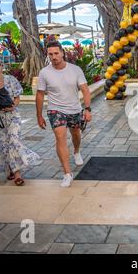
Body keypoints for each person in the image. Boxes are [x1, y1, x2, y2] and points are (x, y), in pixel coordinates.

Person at [0, 56, 41, 186]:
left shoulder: (11, 80)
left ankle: (17, 174)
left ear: (1, 66)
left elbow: (17, 98)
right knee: (3, 146)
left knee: (13, 141)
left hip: (12, 116)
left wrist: (13, 106)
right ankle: (10, 169)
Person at [36, 41, 92, 188]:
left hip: (74, 109)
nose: (53, 57)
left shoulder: (75, 70)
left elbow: (85, 90)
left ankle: (76, 151)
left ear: (62, 52)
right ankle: (67, 173)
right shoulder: (44, 73)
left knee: (75, 134)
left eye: (56, 53)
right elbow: (40, 95)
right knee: (60, 136)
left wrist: (87, 109)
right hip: (55, 109)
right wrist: (39, 115)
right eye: (50, 54)